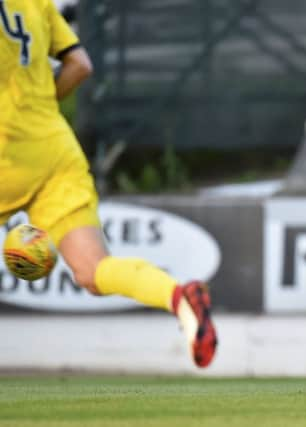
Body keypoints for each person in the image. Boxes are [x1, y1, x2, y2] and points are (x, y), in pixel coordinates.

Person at [0, 0, 216, 368]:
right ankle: (179, 296)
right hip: (53, 150)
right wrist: (34, 110)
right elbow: (79, 66)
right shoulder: (35, 3)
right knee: (94, 270)